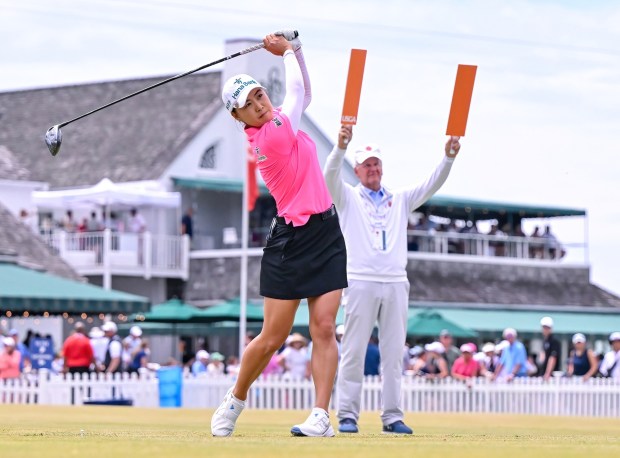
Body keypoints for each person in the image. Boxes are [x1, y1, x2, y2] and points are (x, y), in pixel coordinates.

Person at [211, 32, 347, 438]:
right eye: (247, 106)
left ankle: (321, 415)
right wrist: (286, 52)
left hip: (325, 231)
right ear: (239, 119)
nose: (257, 105)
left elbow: (303, 93)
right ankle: (234, 401)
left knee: (323, 327)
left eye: (258, 96)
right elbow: (297, 90)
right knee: (273, 336)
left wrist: (298, 49)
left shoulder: (279, 118)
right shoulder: (269, 134)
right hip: (290, 242)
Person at [323, 122, 460, 435]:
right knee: (354, 351)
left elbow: (430, 185)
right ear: (356, 171)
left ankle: (392, 416)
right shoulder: (347, 198)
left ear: (382, 169)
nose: (372, 169)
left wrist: (448, 159)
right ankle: (347, 415)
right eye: (366, 165)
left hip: (397, 281)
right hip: (359, 280)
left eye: (376, 164)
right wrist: (341, 147)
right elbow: (329, 176)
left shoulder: (399, 199)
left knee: (394, 354)